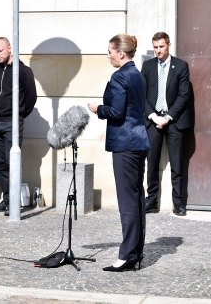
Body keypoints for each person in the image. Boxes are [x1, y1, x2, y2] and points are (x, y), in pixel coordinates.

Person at [88, 33, 150, 272]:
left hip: (125, 145)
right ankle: (135, 253)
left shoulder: (120, 76)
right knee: (136, 200)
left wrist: (97, 109)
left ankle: (126, 255)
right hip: (139, 142)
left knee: (127, 202)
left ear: (121, 53)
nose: (108, 56)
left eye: (110, 51)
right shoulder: (138, 75)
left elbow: (116, 112)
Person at [141, 32, 193, 217]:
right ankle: (152, 200)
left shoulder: (180, 66)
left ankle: (178, 203)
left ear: (168, 45)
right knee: (152, 162)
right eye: (155, 47)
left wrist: (168, 116)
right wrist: (153, 116)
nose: (158, 51)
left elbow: (184, 95)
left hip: (174, 121)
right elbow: (142, 94)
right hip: (153, 120)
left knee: (177, 164)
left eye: (161, 47)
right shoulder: (147, 67)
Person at [0, 37, 37, 216]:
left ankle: (14, 203)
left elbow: (31, 97)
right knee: (1, 164)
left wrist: (19, 115)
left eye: (0, 50)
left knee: (12, 163)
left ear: (10, 48)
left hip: (12, 123)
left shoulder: (23, 71)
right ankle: (7, 200)